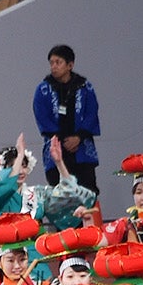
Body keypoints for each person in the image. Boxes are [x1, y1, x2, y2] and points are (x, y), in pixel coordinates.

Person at [33, 45, 101, 193]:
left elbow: (92, 113)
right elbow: (42, 117)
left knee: (88, 191)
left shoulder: (85, 87)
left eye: (58, 62)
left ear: (70, 65)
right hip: (56, 147)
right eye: (51, 63)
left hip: (81, 148)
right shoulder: (43, 89)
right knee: (59, 193)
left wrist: (78, 137)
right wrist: (63, 139)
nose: (54, 66)